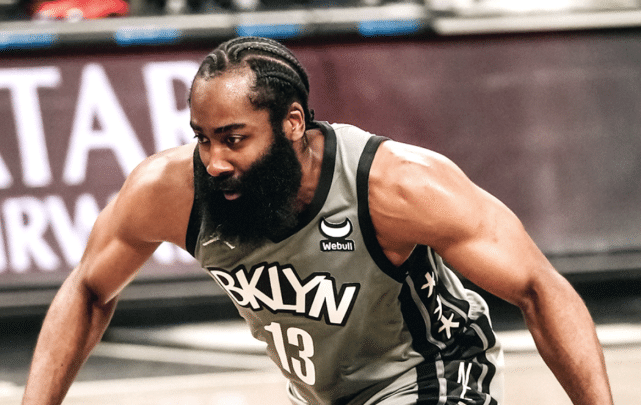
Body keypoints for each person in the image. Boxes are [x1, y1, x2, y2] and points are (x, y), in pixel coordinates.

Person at [22, 36, 612, 405]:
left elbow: (539, 288)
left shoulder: (397, 185)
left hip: (433, 373)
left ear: (293, 123)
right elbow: (88, 290)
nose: (214, 160)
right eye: (201, 138)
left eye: (234, 138)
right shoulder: (170, 191)